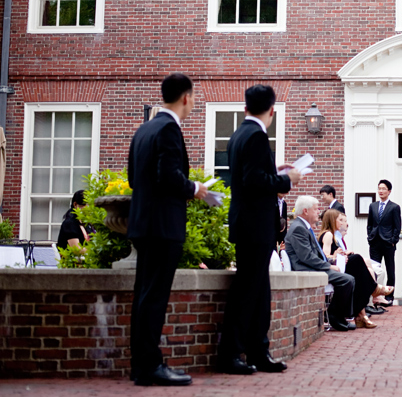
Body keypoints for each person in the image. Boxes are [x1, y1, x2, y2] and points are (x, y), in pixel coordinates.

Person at [127, 73, 208, 386]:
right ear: (186, 97)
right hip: (164, 227)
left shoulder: (144, 129)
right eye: (193, 99)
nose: (192, 104)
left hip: (141, 224)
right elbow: (169, 176)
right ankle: (151, 367)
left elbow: (135, 179)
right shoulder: (170, 129)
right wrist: (195, 188)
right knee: (155, 298)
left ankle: (141, 365)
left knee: (143, 297)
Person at [218, 85, 301, 375]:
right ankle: (230, 354)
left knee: (257, 288)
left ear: (245, 108)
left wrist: (276, 171)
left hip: (248, 222)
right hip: (254, 224)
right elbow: (254, 181)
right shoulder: (256, 135)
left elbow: (248, 176)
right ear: (272, 111)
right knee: (247, 289)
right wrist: (286, 180)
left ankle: (258, 350)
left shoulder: (239, 135)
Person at [285, 195, 356, 332]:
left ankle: (337, 315)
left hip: (312, 267)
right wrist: (329, 266)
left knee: (349, 278)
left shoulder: (304, 227)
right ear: (306, 211)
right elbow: (307, 257)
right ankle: (334, 315)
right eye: (316, 209)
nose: (319, 212)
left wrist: (330, 260)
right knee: (347, 280)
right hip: (305, 270)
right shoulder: (298, 228)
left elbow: (315, 255)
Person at [318, 209, 392, 328]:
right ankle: (373, 290)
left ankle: (361, 316)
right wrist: (336, 255)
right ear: (332, 220)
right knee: (357, 259)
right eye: (339, 220)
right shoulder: (327, 234)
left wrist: (344, 254)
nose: (342, 223)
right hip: (334, 269)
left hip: (338, 267)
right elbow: (325, 256)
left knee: (358, 276)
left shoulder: (333, 235)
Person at [367, 179, 401, 306]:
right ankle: (375, 296)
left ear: (389, 191)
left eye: (383, 189)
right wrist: (369, 237)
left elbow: (397, 227)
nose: (380, 191)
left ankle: (389, 296)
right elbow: (369, 224)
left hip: (388, 243)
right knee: (374, 270)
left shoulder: (394, 207)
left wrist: (393, 241)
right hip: (374, 242)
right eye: (379, 188)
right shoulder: (373, 206)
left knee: (390, 270)